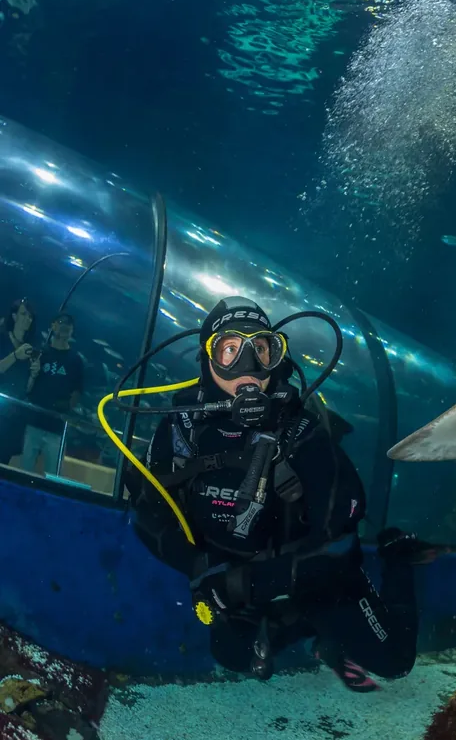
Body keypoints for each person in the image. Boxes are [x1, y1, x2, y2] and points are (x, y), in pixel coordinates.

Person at [126, 296, 424, 691]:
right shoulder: (180, 431)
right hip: (246, 577)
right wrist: (201, 567)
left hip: (317, 579)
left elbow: (338, 547)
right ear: (207, 359)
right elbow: (146, 514)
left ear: (275, 357)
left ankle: (397, 559)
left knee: (395, 661)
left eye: (261, 350)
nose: (248, 367)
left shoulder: (302, 433)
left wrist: (244, 584)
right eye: (230, 350)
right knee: (232, 654)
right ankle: (298, 626)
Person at [22, 312, 84, 476]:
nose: (65, 325)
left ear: (72, 330)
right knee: (24, 471)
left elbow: (78, 390)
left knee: (53, 476)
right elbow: (28, 386)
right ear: (52, 325)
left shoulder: (76, 360)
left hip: (57, 428)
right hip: (34, 422)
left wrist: (68, 409)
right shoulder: (40, 352)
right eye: (61, 322)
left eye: (69, 324)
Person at [0, 298, 37, 465]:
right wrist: (15, 355)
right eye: (23, 314)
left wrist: (34, 375)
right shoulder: (1, 339)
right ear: (14, 316)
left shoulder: (30, 349)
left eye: (30, 316)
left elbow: (27, 388)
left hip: (14, 415)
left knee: (4, 460)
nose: (27, 319)